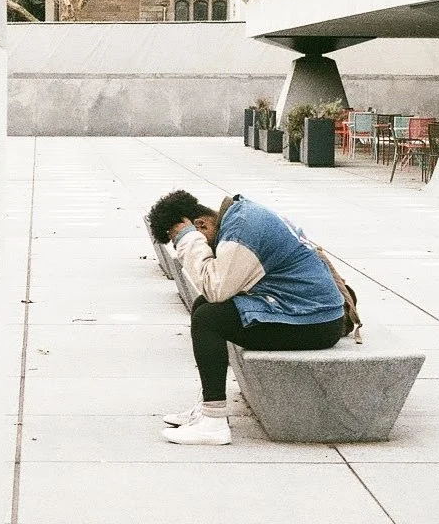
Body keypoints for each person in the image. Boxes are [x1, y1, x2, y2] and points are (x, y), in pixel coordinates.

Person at [146, 190, 346, 445]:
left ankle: (213, 424)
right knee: (203, 305)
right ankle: (208, 408)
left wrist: (187, 240)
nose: (181, 246)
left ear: (200, 225)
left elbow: (215, 287)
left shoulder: (241, 231)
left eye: (178, 240)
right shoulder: (240, 217)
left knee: (209, 318)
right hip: (307, 311)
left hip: (314, 322)